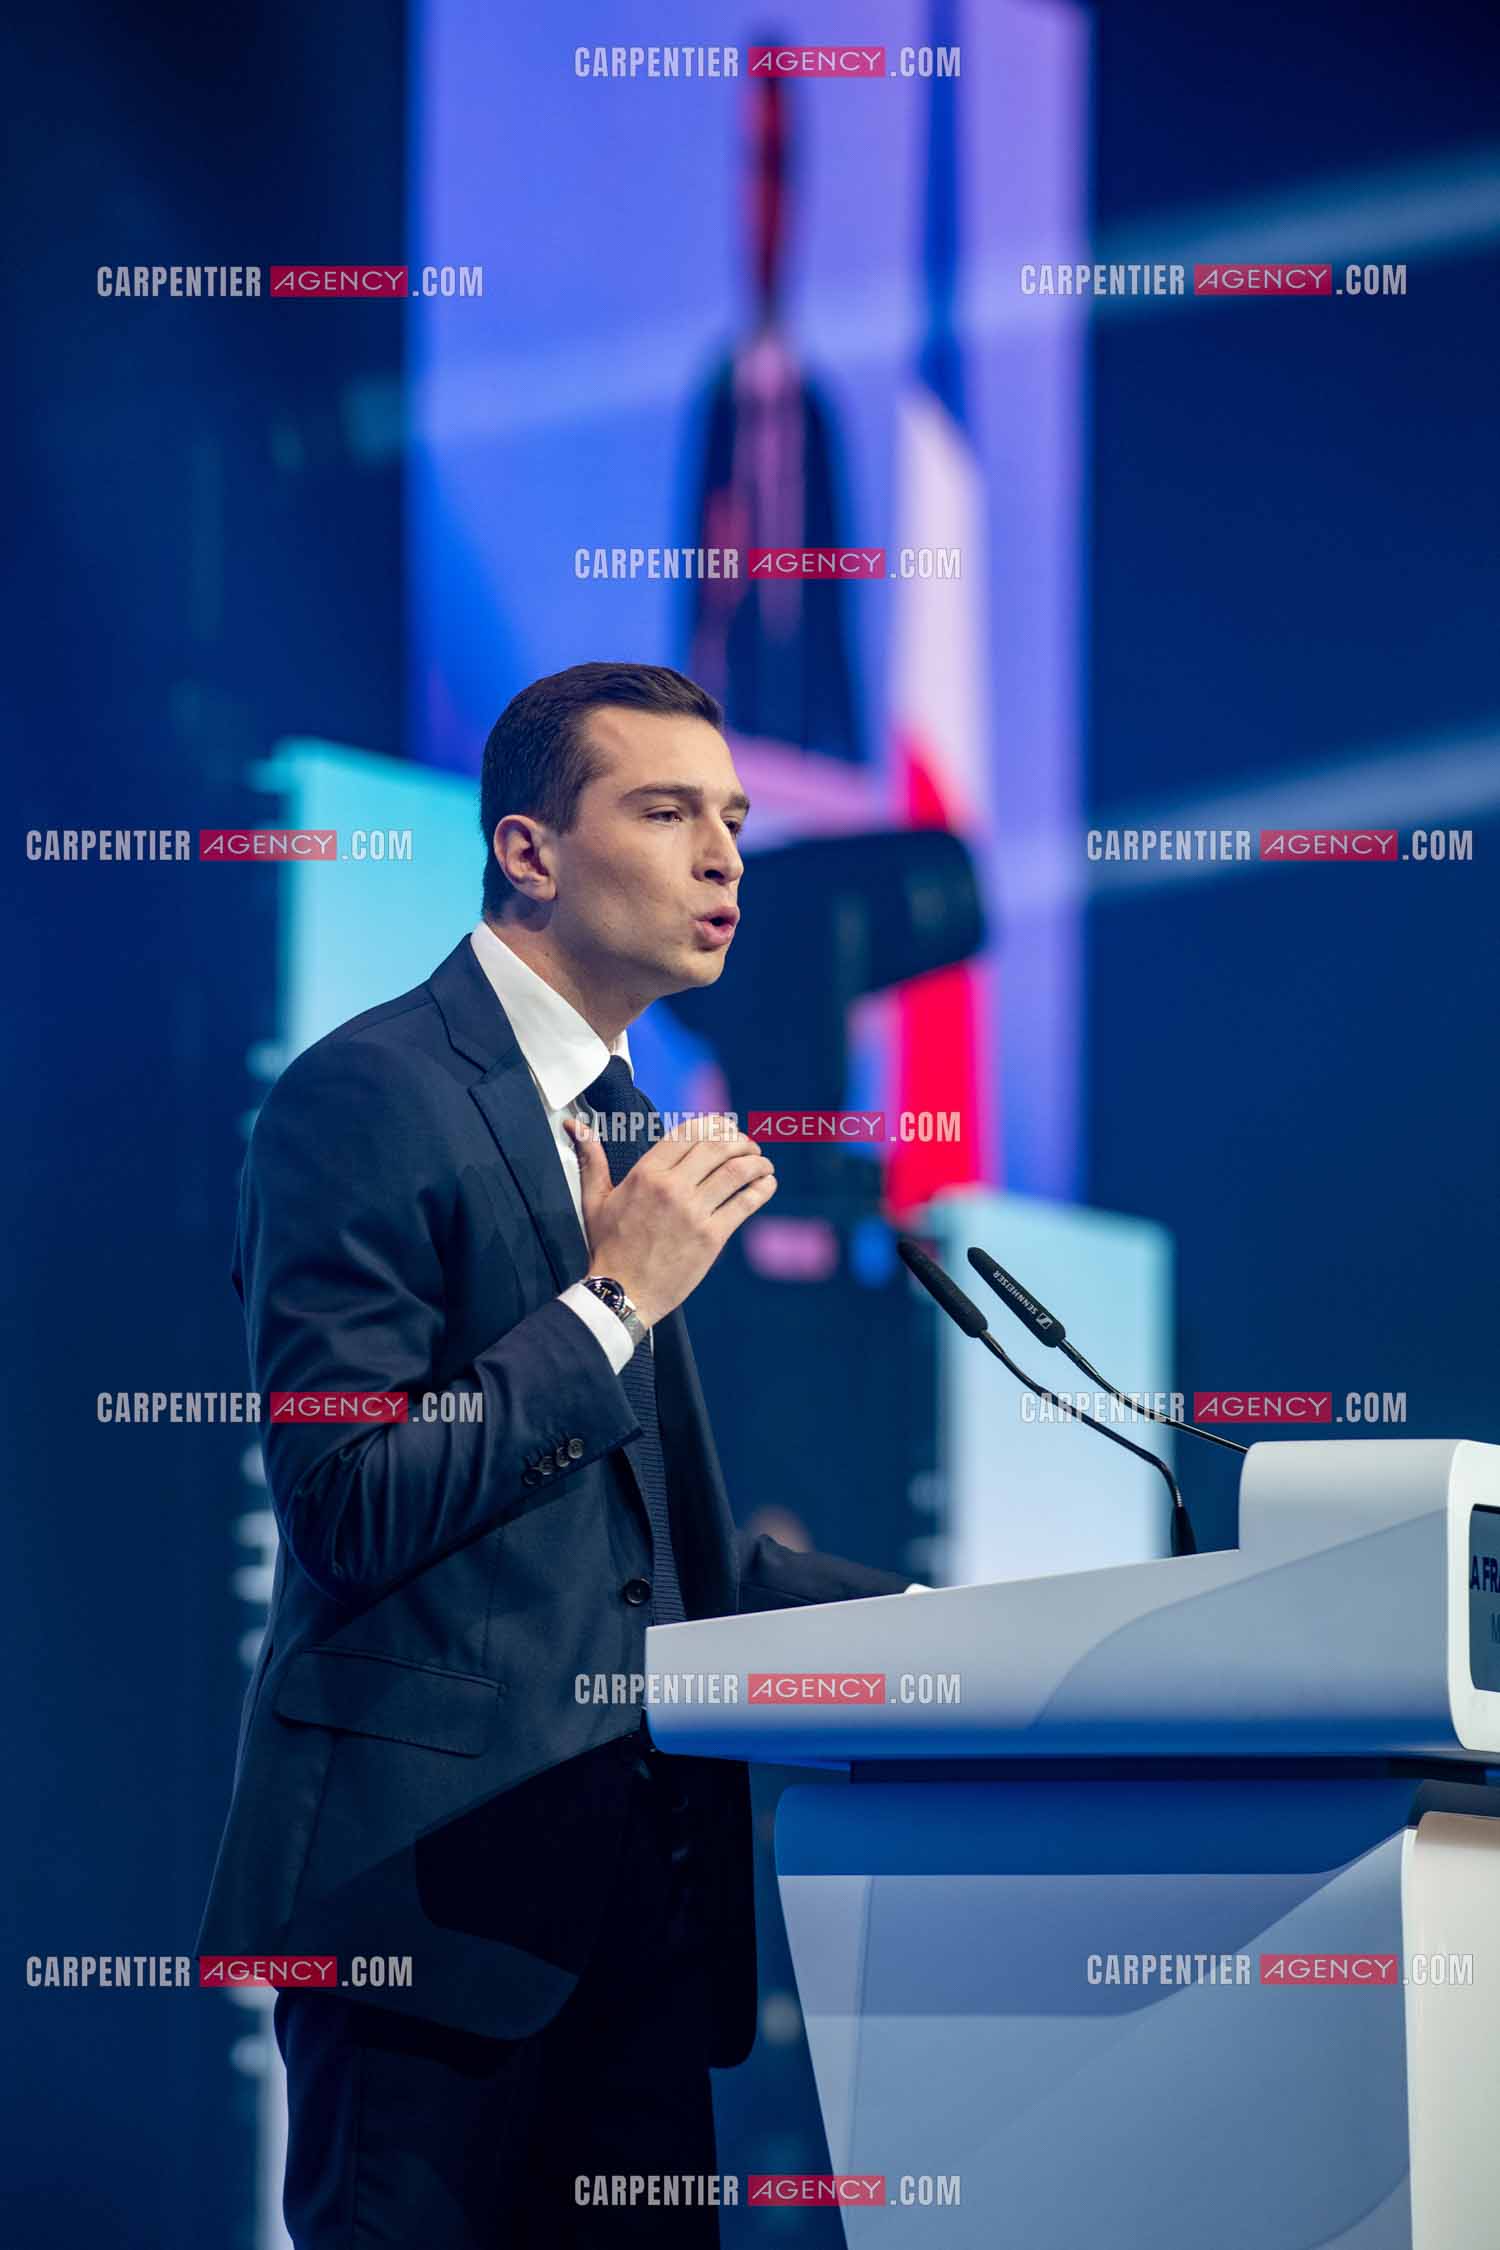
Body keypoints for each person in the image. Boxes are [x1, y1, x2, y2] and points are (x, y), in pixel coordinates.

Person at [196, 662, 920, 2246]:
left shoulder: (630, 1122)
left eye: (730, 816)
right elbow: (347, 1498)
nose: (725, 854)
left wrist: (950, 1619)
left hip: (638, 1920)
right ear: (527, 847)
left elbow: (649, 1551)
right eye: (666, 812)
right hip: (426, 1923)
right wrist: (610, 1301)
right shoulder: (366, 1095)